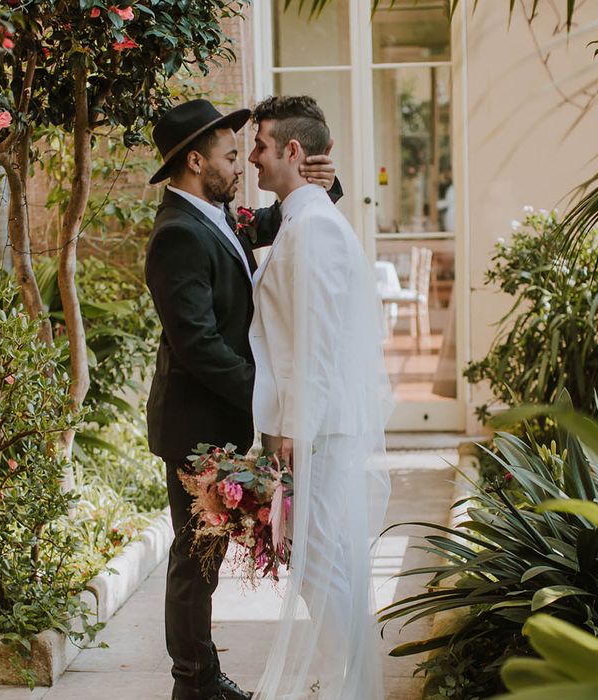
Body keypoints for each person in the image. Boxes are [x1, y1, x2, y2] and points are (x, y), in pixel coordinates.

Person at [144, 98, 342, 700]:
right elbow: (198, 344)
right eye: (233, 155)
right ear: (197, 160)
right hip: (194, 423)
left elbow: (270, 226)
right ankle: (194, 683)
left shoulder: (213, 214)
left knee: (202, 557)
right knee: (192, 561)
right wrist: (270, 397)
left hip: (216, 418)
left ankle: (201, 678)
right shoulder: (177, 233)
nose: (240, 165)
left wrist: (322, 187)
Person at [247, 96, 393, 700]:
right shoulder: (299, 222)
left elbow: (320, 341)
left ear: (293, 151)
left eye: (260, 145)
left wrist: (292, 432)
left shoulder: (313, 229)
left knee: (321, 564)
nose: (252, 158)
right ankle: (345, 682)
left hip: (318, 429)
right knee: (318, 563)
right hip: (312, 425)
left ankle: (342, 685)